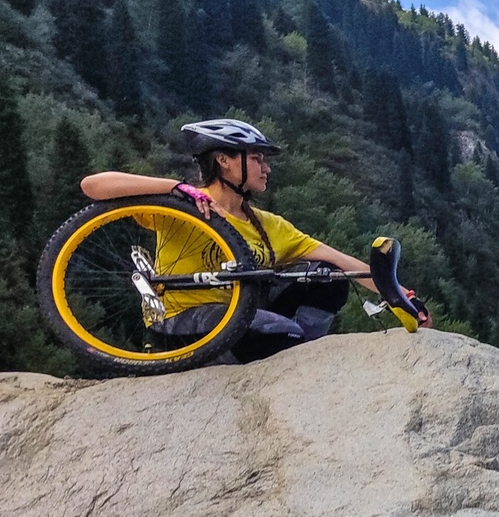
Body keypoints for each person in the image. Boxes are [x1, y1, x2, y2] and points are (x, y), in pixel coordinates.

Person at [80, 118, 432, 363]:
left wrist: (400, 294)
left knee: (326, 277)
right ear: (224, 160)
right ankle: (290, 353)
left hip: (241, 317)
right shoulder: (182, 208)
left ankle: (297, 354)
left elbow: (341, 264)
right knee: (280, 333)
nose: (267, 168)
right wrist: (174, 188)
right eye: (257, 158)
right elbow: (93, 185)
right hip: (179, 323)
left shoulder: (267, 224)